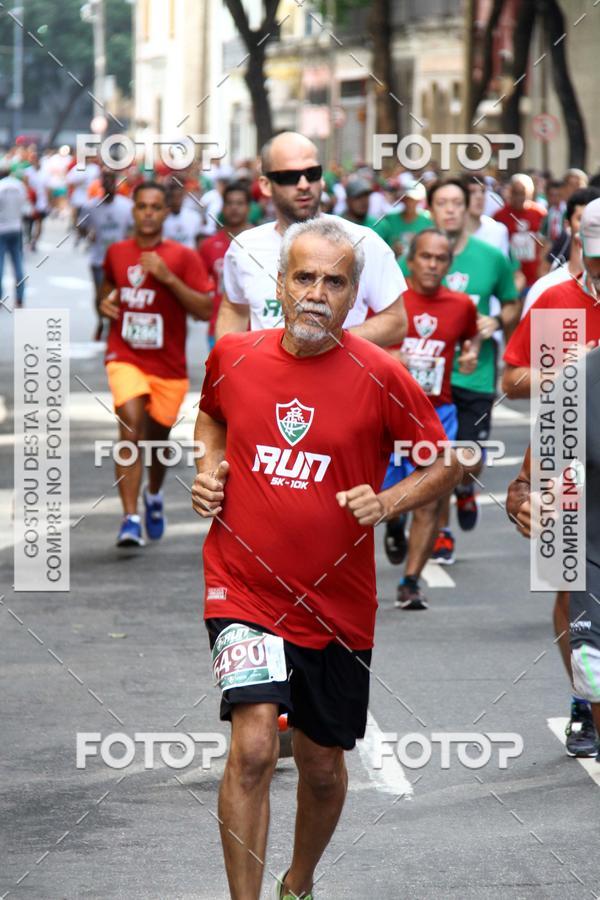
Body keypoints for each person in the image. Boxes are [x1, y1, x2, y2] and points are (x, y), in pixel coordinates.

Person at [192, 217, 460, 900]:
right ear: (279, 284)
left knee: (320, 764)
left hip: (337, 606)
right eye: (304, 277)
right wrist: (211, 464)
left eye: (334, 281)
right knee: (253, 746)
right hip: (241, 587)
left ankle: (298, 881)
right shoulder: (235, 354)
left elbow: (445, 462)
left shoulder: (381, 374)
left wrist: (391, 501)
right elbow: (212, 415)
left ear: (355, 296)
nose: (316, 292)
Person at [502, 197, 600, 756]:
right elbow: (513, 379)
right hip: (565, 441)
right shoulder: (556, 301)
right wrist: (566, 369)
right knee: (569, 581)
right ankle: (583, 701)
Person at [400, 178, 519, 563]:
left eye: (457, 202)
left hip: (475, 375)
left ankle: (466, 488)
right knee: (438, 462)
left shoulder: (491, 256)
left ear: (470, 207)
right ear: (430, 210)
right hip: (425, 383)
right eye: (442, 203)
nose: (450, 209)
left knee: (468, 461)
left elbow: (512, 302)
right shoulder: (414, 258)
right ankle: (441, 532)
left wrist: (496, 321)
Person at [98, 182, 214, 547]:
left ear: (166, 212)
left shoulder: (182, 257)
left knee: (157, 443)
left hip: (169, 367)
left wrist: (167, 277)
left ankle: (154, 494)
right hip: (125, 355)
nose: (148, 213)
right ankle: (130, 518)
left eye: (155, 207)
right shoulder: (117, 251)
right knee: (130, 426)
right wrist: (104, 302)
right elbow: (105, 286)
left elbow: (205, 309)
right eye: (142, 206)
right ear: (132, 211)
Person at [215, 131, 407, 346]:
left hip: (338, 379)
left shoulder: (362, 242)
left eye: (312, 173)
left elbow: (396, 321)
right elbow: (234, 308)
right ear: (266, 185)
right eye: (289, 176)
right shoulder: (244, 247)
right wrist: (231, 362)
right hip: (268, 379)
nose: (304, 184)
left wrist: (329, 345)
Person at [506, 347, 600, 757]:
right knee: (595, 669)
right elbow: (525, 483)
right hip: (594, 558)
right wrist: (528, 505)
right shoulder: (576, 386)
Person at [383, 229, 479, 609]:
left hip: (437, 414)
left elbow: (470, 339)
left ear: (449, 264)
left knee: (428, 500)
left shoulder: (461, 306)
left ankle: (410, 582)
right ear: (411, 259)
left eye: (440, 259)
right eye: (425, 257)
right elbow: (357, 341)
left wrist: (470, 356)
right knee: (383, 493)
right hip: (389, 416)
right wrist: (390, 354)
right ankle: (391, 520)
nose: (432, 265)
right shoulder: (391, 303)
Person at [522, 187, 600, 319]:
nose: (588, 228)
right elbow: (536, 339)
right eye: (581, 219)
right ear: (567, 225)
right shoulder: (547, 289)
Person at [198, 181, 252, 352]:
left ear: (248, 207)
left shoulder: (261, 242)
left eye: (239, 203)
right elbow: (200, 284)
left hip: (256, 329)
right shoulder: (208, 245)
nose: (234, 208)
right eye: (229, 203)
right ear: (222, 207)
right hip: (219, 328)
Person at [83, 168, 134, 340]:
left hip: (121, 260)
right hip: (99, 259)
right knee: (99, 296)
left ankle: (115, 325)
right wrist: (89, 235)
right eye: (105, 181)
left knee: (121, 295)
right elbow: (81, 227)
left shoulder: (127, 205)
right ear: (101, 184)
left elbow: (134, 229)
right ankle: (100, 322)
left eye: (112, 181)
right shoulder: (91, 206)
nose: (109, 184)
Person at [493, 173, 547, 293]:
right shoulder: (499, 215)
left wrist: (542, 266)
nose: (520, 197)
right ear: (510, 192)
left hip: (534, 275)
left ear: (530, 194)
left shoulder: (539, 213)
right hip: (510, 276)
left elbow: (545, 242)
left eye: (523, 193)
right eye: (516, 193)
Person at [374, 180, 431, 258]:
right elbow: (379, 247)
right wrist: (392, 249)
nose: (409, 202)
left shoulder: (428, 219)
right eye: (406, 198)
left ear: (419, 200)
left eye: (413, 199)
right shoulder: (389, 219)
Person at [0, 163, 26, 309]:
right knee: (18, 264)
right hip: (16, 227)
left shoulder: (1, 186)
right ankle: (20, 298)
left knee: (0, 265)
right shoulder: (19, 185)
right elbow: (25, 204)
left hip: (2, 229)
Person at [463, 175, 509, 255]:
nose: (479, 196)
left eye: (483, 191)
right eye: (472, 192)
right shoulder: (450, 230)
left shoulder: (498, 230)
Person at [162, 179, 203, 248]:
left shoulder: (194, 216)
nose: (176, 201)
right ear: (169, 198)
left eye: (179, 196)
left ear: (183, 196)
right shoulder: (162, 219)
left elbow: (199, 240)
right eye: (173, 197)